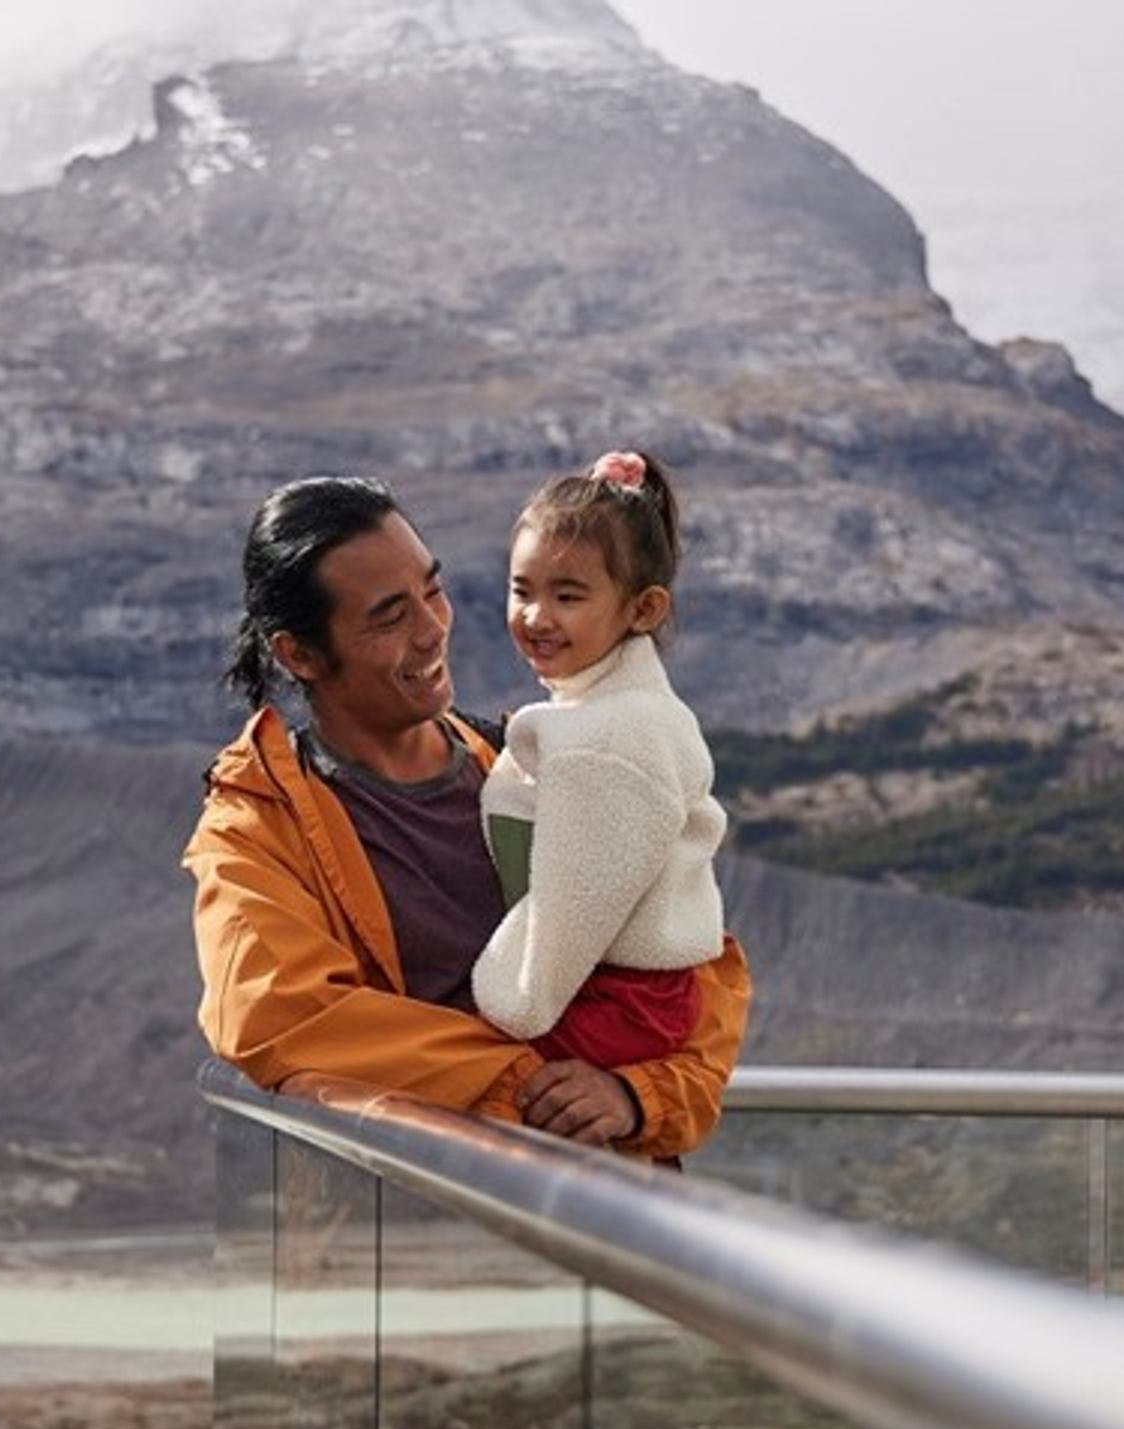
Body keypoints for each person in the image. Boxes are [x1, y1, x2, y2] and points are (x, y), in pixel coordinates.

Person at [184, 474, 751, 1156]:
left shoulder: (527, 768)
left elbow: (698, 971)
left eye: (433, 589)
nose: (432, 631)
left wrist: (637, 1096)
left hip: (603, 1224)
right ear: (299, 654)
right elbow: (278, 1017)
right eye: (390, 616)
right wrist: (533, 1094)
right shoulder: (257, 830)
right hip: (409, 1237)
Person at [473, 450, 727, 1069]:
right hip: (611, 994)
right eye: (521, 590)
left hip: (612, 1003)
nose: (536, 617)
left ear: (643, 609)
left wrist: (506, 1006)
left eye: (568, 595)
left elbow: (570, 913)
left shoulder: (610, 740)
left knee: (443, 1068)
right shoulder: (599, 714)